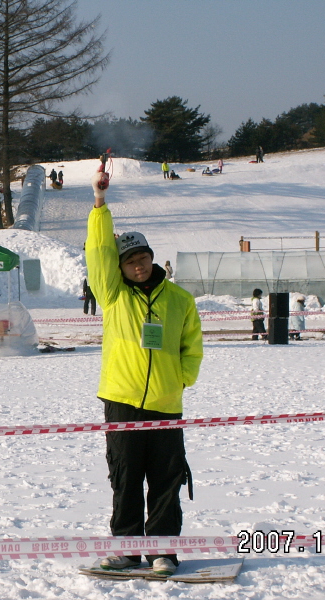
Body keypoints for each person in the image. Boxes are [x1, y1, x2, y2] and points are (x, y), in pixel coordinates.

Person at [87, 166, 203, 577]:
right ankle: (127, 548)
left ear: (153, 259)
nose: (138, 265)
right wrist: (100, 203)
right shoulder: (113, 295)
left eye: (143, 257)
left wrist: (181, 379)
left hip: (166, 402)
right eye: (130, 260)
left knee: (167, 479)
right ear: (120, 267)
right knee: (125, 477)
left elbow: (192, 346)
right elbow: (99, 254)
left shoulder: (180, 300)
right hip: (121, 400)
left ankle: (163, 552)